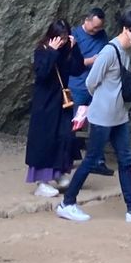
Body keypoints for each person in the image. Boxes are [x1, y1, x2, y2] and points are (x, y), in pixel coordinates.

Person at [56, 10, 131, 224]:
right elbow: (91, 82)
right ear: (127, 29)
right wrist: (105, 97)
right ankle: (67, 203)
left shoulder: (127, 50)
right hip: (102, 116)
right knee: (90, 160)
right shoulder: (110, 51)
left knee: (125, 161)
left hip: (119, 116)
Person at [26, 20, 85, 197]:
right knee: (45, 140)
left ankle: (59, 173)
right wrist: (52, 52)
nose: (63, 41)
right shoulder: (42, 51)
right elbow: (42, 73)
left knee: (64, 137)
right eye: (60, 38)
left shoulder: (67, 50)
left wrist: (74, 49)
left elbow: (78, 68)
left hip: (62, 103)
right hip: (45, 104)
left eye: (65, 38)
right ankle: (41, 181)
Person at [69, 6, 112, 175]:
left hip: (96, 86)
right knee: (74, 123)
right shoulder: (75, 36)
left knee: (98, 123)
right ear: (86, 21)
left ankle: (97, 159)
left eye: (100, 27)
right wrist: (90, 61)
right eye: (94, 27)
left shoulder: (102, 35)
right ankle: (67, 157)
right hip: (78, 85)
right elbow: (70, 61)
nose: (97, 30)